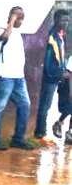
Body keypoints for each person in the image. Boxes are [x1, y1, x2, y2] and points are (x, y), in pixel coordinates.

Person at [0, 6, 34, 151]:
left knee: (25, 105)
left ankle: (18, 139)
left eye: (21, 18)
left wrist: (15, 22)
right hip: (5, 76)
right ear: (12, 17)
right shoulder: (0, 30)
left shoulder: (18, 33)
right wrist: (12, 20)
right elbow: (4, 38)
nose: (21, 21)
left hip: (19, 78)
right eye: (19, 18)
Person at [34, 9, 69, 144]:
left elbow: (60, 56)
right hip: (50, 77)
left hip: (58, 76)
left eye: (67, 20)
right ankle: (40, 133)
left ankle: (45, 130)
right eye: (62, 20)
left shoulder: (61, 35)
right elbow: (48, 62)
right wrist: (60, 73)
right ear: (56, 20)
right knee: (45, 105)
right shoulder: (51, 37)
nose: (65, 23)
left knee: (51, 105)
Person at [52, 54, 72, 144]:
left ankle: (69, 132)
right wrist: (71, 93)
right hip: (67, 87)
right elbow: (70, 76)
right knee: (69, 108)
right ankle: (58, 123)